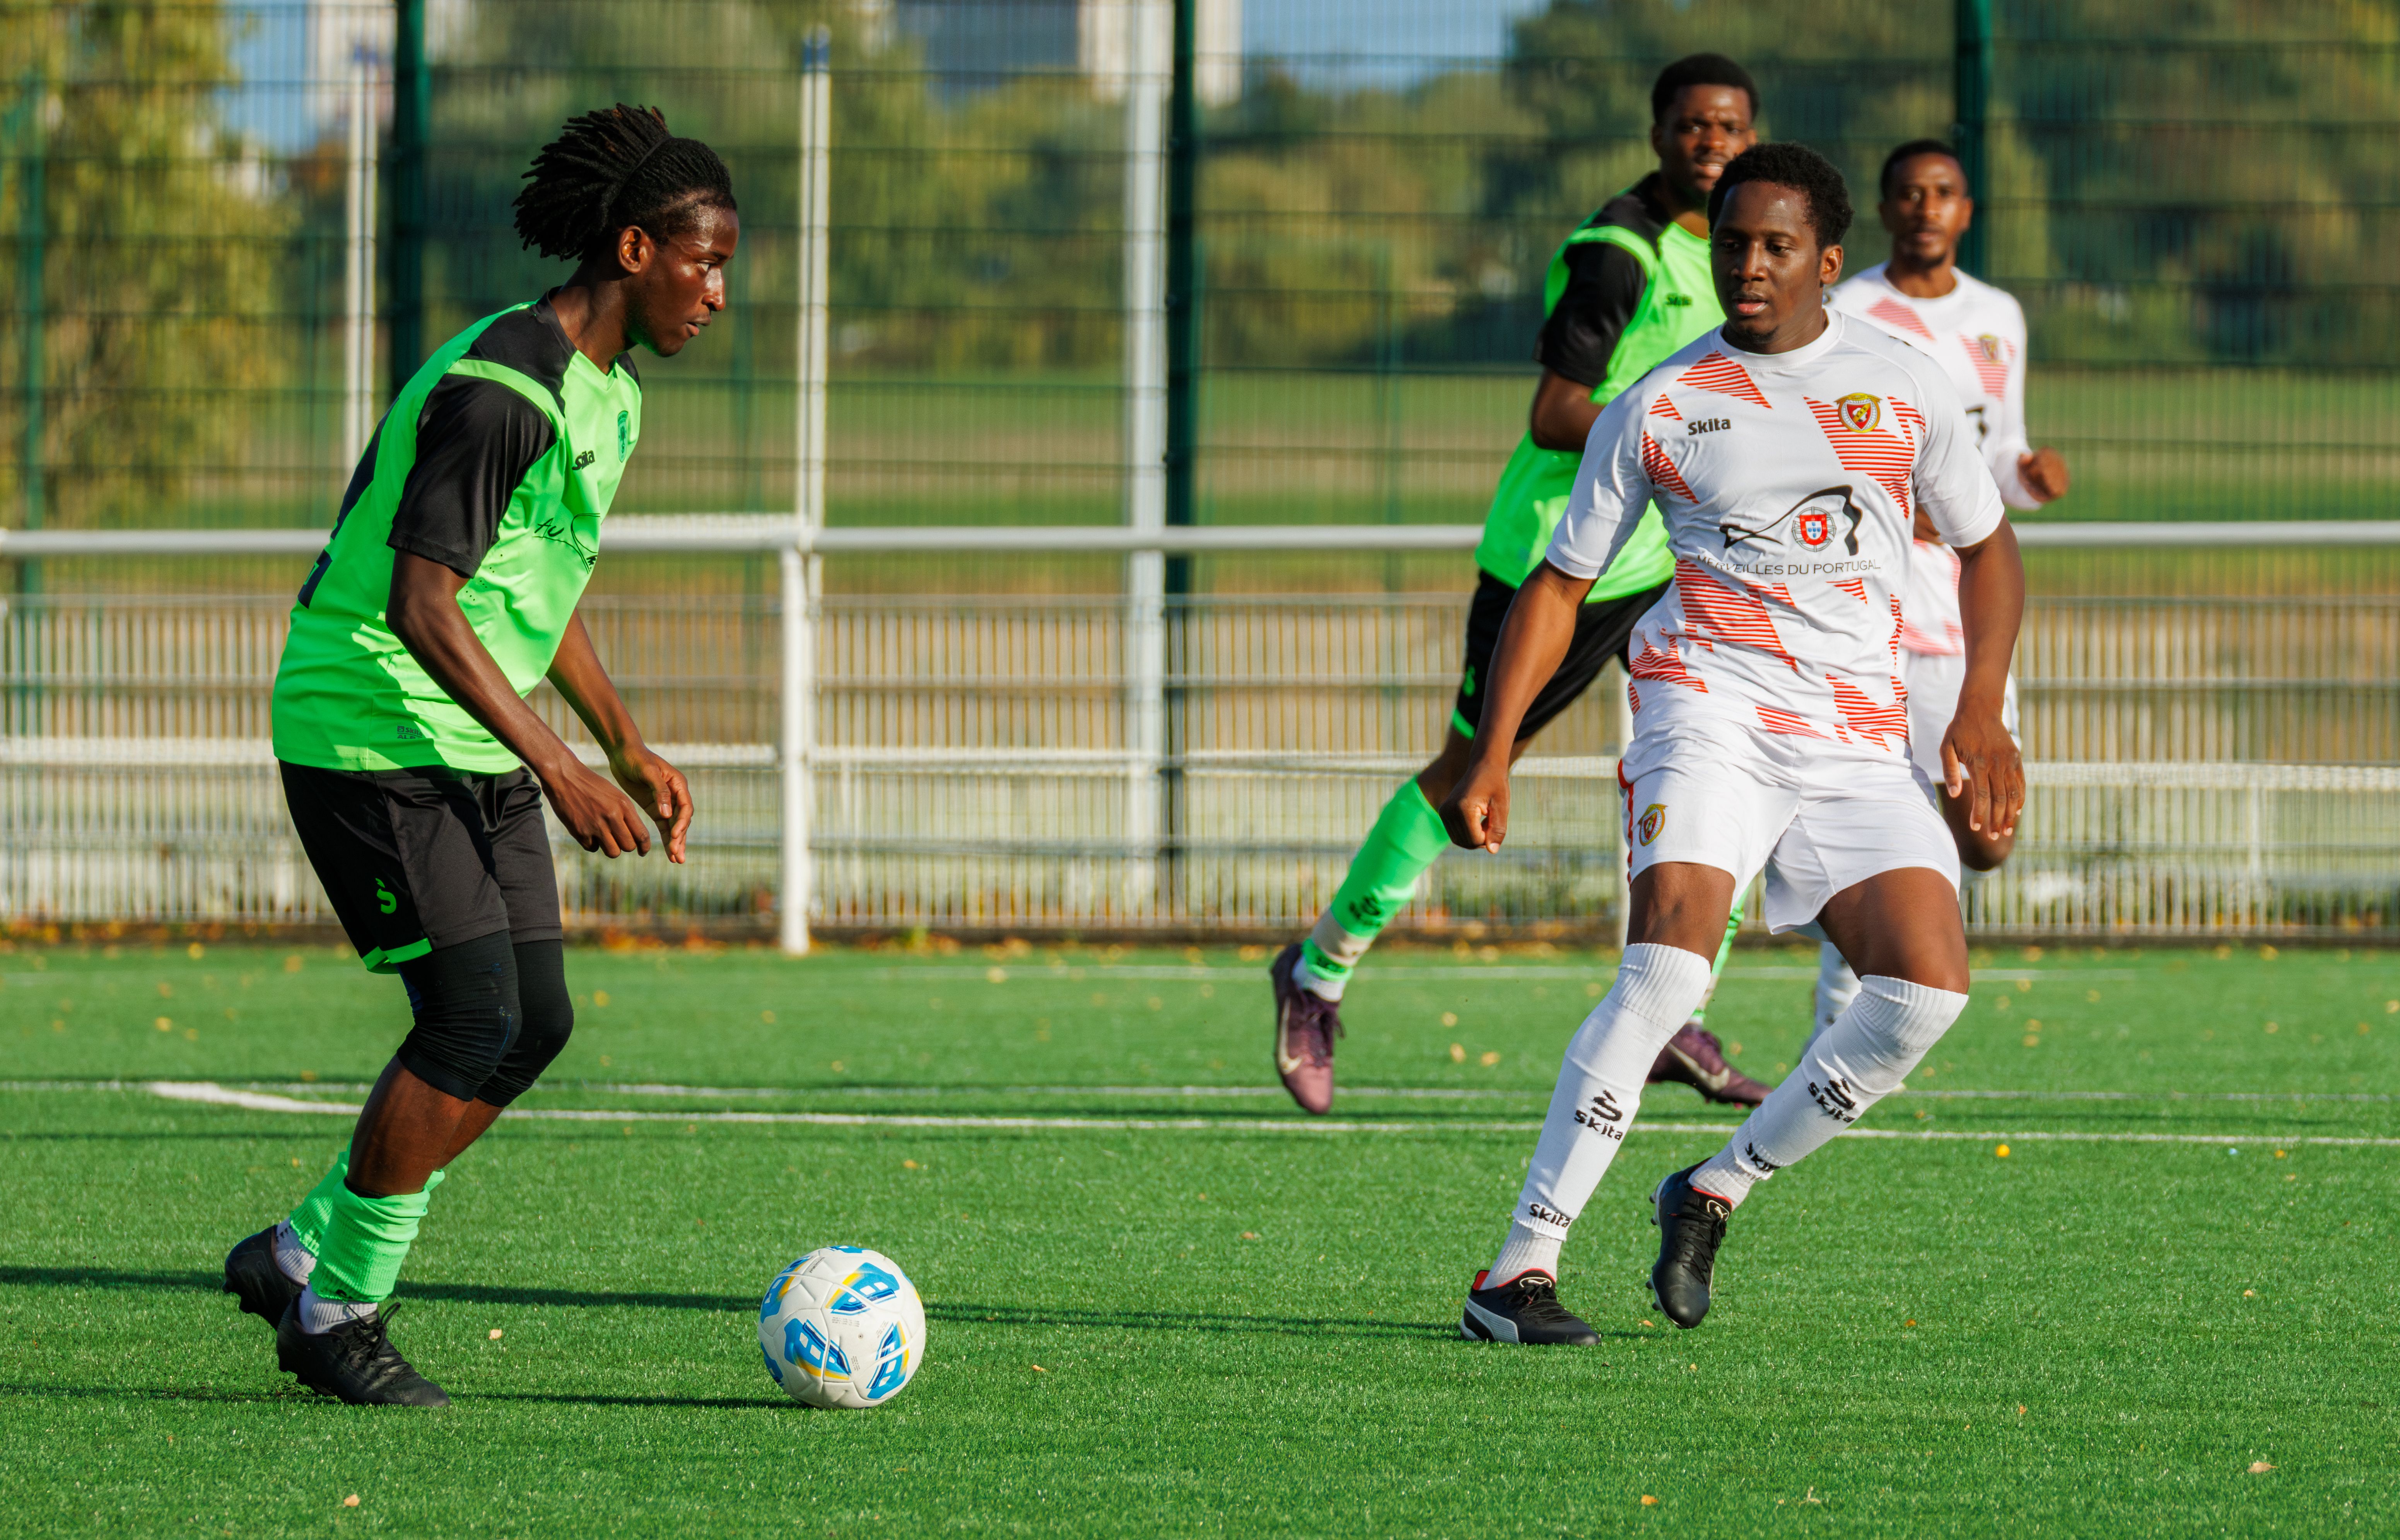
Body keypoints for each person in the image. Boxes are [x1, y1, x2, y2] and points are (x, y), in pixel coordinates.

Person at [1444, 143, 2025, 1344]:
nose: (1746, 267)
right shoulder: (1659, 402)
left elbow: (1986, 543)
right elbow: (1559, 584)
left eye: (1772, 247)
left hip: (1854, 739)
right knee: (1666, 973)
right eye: (1728, 246)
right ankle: (1517, 1270)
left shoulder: (1900, 383)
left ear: (1824, 260)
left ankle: (1714, 1186)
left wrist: (1977, 707)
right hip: (1704, 711)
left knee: (1923, 991)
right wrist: (1489, 747)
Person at [217, 104, 738, 1405]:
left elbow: (529, 597)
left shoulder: (606, 395)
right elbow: (423, 606)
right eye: (702, 263)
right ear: (632, 249)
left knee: (534, 1022)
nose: (717, 293)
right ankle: (335, 1312)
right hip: (370, 724)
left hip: (467, 723)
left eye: (726, 267)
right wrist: (560, 769)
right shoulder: (506, 386)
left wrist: (622, 743)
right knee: (469, 1016)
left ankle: (297, 1253)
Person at [1269, 54, 1772, 1116]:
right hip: (1559, 554)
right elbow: (1555, 412)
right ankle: (1315, 973)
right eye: (1690, 125)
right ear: (1657, 134)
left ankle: (1670, 1005)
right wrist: (1686, 434)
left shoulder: (1740, 255)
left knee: (1714, 768)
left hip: (1671, 560)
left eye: (1727, 125)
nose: (1709, 142)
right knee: (1466, 774)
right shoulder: (1616, 255)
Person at [1810, 137, 2066, 1033]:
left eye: (1943, 192)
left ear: (1966, 211)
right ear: (1885, 209)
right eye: (1908, 194)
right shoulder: (1848, 307)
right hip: (1871, 603)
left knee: (1986, 839)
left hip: (1965, 609)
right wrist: (1892, 504)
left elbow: (1996, 451)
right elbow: (1823, 445)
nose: (1925, 207)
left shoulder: (1997, 316)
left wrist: (2025, 474)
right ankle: (1839, 1029)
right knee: (1877, 827)